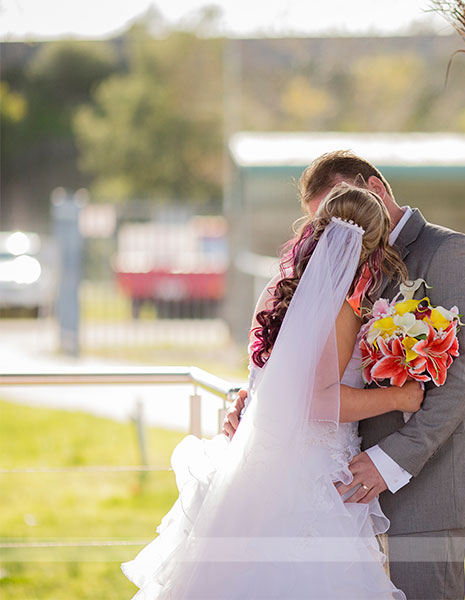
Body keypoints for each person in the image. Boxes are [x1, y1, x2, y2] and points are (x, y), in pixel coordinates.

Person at [225, 151, 465, 599]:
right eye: (322, 225)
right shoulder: (326, 274)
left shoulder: (450, 251)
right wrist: (253, 401)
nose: (329, 240)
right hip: (333, 483)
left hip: (420, 485)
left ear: (373, 188)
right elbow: (304, 364)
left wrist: (390, 459)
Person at [123, 183, 424, 598]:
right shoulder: (342, 311)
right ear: (374, 250)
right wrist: (398, 397)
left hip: (258, 465)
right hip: (312, 476)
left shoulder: (278, 293)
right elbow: (319, 401)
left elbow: (264, 379)